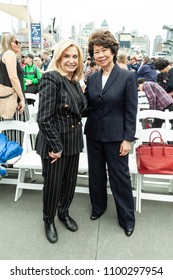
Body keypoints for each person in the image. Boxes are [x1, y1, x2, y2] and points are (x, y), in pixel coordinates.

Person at [84, 30, 138, 237]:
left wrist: (127, 139)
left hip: (117, 138)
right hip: (94, 135)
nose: (100, 55)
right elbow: (89, 106)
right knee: (96, 174)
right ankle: (98, 208)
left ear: (113, 51)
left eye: (104, 50)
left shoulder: (127, 76)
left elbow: (131, 111)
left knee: (120, 178)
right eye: (96, 51)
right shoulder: (93, 77)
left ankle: (127, 218)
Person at [36, 39, 88, 243]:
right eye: (67, 56)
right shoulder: (51, 78)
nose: (71, 60)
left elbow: (81, 110)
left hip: (73, 140)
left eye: (75, 56)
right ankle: (48, 220)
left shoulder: (74, 81)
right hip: (55, 142)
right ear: (58, 56)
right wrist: (56, 147)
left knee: (69, 183)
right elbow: (43, 118)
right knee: (53, 185)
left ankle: (63, 213)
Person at [0, 34, 25, 118]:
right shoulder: (9, 53)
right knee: (18, 128)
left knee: (7, 129)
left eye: (19, 42)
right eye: (16, 42)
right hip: (13, 100)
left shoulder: (3, 55)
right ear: (8, 43)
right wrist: (22, 98)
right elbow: (13, 77)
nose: (19, 44)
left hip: (6, 99)